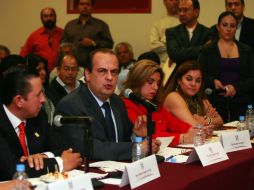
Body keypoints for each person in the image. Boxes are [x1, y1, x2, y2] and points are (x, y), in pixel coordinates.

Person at [55, 48, 160, 161]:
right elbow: (88, 148)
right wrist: (137, 148)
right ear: (87, 74)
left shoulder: (117, 101)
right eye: (102, 71)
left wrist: (137, 135)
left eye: (114, 72)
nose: (109, 77)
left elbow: (122, 141)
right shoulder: (70, 105)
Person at [0, 67, 81, 180]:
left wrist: (44, 156)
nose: (43, 99)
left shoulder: (38, 116)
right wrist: (59, 163)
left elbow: (66, 148)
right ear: (19, 101)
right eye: (38, 95)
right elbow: (12, 171)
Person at [122, 59, 196, 145]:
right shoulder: (126, 105)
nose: (155, 87)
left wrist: (195, 130)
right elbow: (149, 135)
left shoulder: (155, 104)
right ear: (138, 80)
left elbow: (175, 124)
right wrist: (182, 138)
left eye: (158, 83)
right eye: (150, 82)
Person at [199, 11, 254, 122]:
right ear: (218, 27)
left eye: (232, 26)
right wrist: (213, 81)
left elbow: (252, 78)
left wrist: (236, 88)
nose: (228, 29)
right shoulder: (207, 50)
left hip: (241, 102)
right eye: (225, 25)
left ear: (236, 28)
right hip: (214, 102)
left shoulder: (246, 50)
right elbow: (200, 74)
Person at [163, 61, 223, 127]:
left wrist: (206, 120)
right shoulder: (173, 97)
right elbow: (195, 126)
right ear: (179, 80)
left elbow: (220, 121)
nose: (193, 84)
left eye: (198, 81)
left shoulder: (199, 98)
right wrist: (207, 120)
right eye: (189, 79)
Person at [61, 0, 114, 67]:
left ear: (92, 7)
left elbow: (109, 44)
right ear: (78, 6)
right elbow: (63, 44)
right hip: (73, 67)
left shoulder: (101, 25)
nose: (85, 6)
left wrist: (93, 43)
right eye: (82, 4)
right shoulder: (70, 25)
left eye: (88, 4)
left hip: (94, 66)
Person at [166, 0, 210, 68]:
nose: (181, 14)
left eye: (185, 10)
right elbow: (174, 54)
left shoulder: (208, 32)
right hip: (179, 74)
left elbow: (208, 55)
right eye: (179, 10)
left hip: (201, 74)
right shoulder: (172, 32)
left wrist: (182, 52)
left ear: (196, 12)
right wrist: (202, 48)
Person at [25, 54, 55, 124]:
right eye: (39, 70)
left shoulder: (48, 90)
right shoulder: (27, 93)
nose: (43, 73)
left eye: (44, 69)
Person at [150, 0, 179, 65]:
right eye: (171, 0)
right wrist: (174, 46)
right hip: (162, 64)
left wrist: (163, 41)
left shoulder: (185, 22)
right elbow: (153, 46)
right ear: (165, 2)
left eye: (177, 0)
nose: (174, 2)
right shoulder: (157, 24)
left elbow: (187, 46)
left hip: (181, 64)